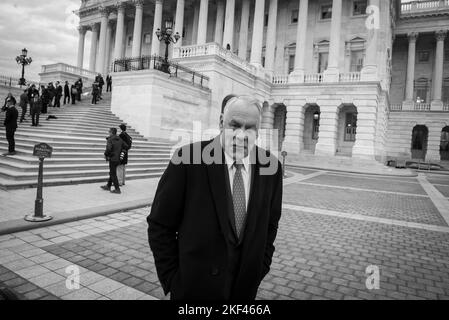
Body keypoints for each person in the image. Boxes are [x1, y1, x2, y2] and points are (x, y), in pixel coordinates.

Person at [147, 95, 283, 300]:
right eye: (234, 125)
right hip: (193, 291)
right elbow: (160, 225)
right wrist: (175, 280)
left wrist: (260, 267)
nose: (241, 135)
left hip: (243, 291)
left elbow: (271, 224)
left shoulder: (271, 168)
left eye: (250, 128)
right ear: (221, 122)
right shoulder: (187, 159)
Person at [101, 127, 129, 194]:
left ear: (111, 132)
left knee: (113, 173)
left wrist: (105, 154)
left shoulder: (110, 139)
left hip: (112, 158)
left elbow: (108, 149)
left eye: (109, 131)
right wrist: (121, 153)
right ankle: (108, 186)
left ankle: (117, 189)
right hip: (118, 159)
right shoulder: (120, 139)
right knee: (112, 172)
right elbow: (126, 146)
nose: (108, 133)